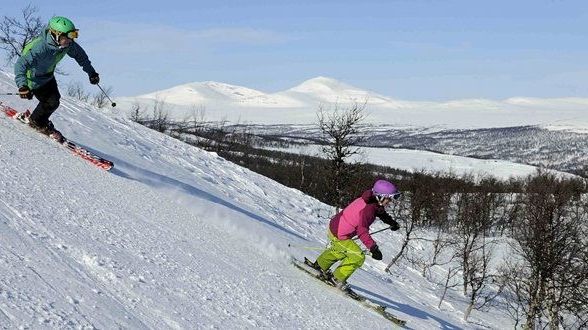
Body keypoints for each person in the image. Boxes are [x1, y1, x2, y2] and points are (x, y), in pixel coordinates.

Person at [14, 16, 100, 141]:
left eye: (73, 36)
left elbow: (81, 57)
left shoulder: (67, 45)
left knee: (55, 100)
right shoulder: (39, 47)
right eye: (67, 37)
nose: (70, 40)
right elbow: (20, 64)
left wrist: (91, 73)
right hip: (33, 79)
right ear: (55, 35)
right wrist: (23, 85)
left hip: (48, 76)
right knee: (51, 102)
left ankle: (38, 120)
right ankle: (37, 121)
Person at [311, 179, 401, 290]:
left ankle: (320, 265)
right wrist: (373, 248)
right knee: (357, 256)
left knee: (341, 251)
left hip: (335, 227)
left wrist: (391, 222)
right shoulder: (369, 208)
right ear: (380, 196)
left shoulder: (370, 199)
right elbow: (362, 230)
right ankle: (337, 278)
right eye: (388, 198)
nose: (390, 202)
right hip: (340, 234)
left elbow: (380, 212)